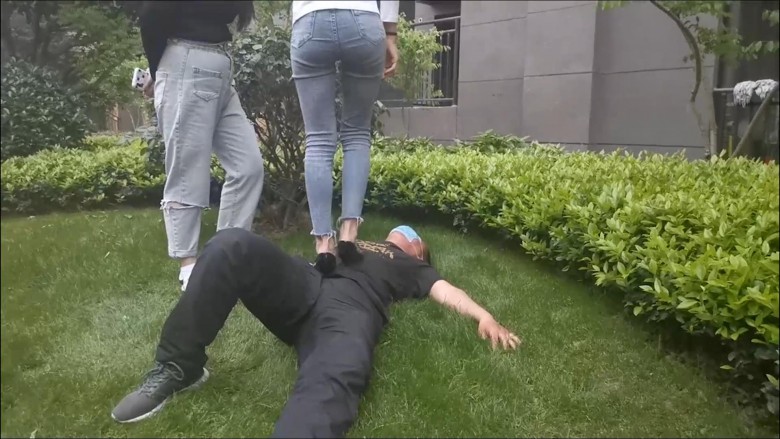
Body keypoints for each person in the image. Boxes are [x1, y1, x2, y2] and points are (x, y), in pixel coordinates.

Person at [110, 225, 521, 437]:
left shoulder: (413, 266)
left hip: (349, 309)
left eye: (414, 236)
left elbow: (446, 290)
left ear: (419, 250)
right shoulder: (358, 240)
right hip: (302, 282)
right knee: (231, 245)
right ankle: (180, 365)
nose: (404, 232)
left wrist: (484, 316)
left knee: (335, 372)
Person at [139, 1, 265, 291]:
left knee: (248, 168)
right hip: (187, 63)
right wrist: (158, 69)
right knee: (187, 169)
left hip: (219, 67)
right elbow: (152, 13)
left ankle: (225, 258)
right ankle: (189, 269)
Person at [289, 0, 401, 274]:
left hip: (310, 20)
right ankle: (349, 234)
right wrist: (390, 34)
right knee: (357, 133)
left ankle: (324, 247)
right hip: (363, 19)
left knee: (318, 139)